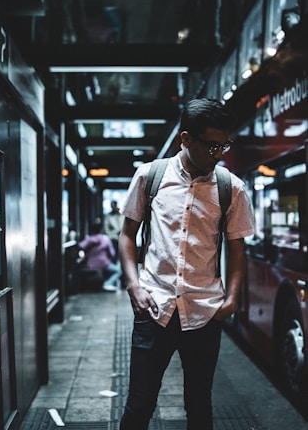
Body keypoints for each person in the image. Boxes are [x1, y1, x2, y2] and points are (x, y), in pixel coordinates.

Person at [118, 98, 255, 430]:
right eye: (211, 145)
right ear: (185, 139)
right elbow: (126, 235)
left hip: (204, 312)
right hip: (155, 309)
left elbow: (237, 250)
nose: (218, 153)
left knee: (199, 405)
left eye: (223, 145)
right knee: (139, 405)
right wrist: (134, 285)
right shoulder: (150, 176)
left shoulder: (231, 189)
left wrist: (232, 299)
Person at [78, 222, 122, 291]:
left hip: (90, 264)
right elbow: (112, 253)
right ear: (101, 230)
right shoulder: (105, 239)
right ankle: (107, 284)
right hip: (104, 263)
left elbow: (80, 247)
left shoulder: (89, 239)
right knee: (118, 271)